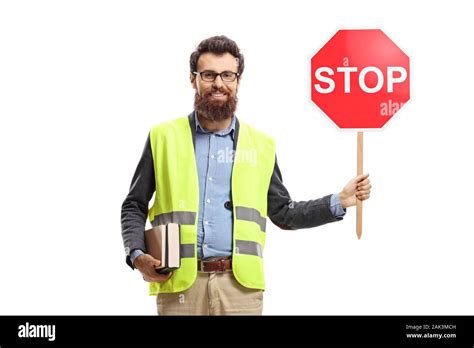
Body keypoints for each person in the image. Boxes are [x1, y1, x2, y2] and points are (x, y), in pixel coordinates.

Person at [121, 35, 372, 315]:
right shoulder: (162, 137)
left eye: (228, 75)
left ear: (238, 80)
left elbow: (283, 213)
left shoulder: (261, 145)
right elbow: (134, 204)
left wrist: (338, 200)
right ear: (193, 79)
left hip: (240, 289)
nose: (219, 83)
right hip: (178, 285)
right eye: (209, 75)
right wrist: (136, 254)